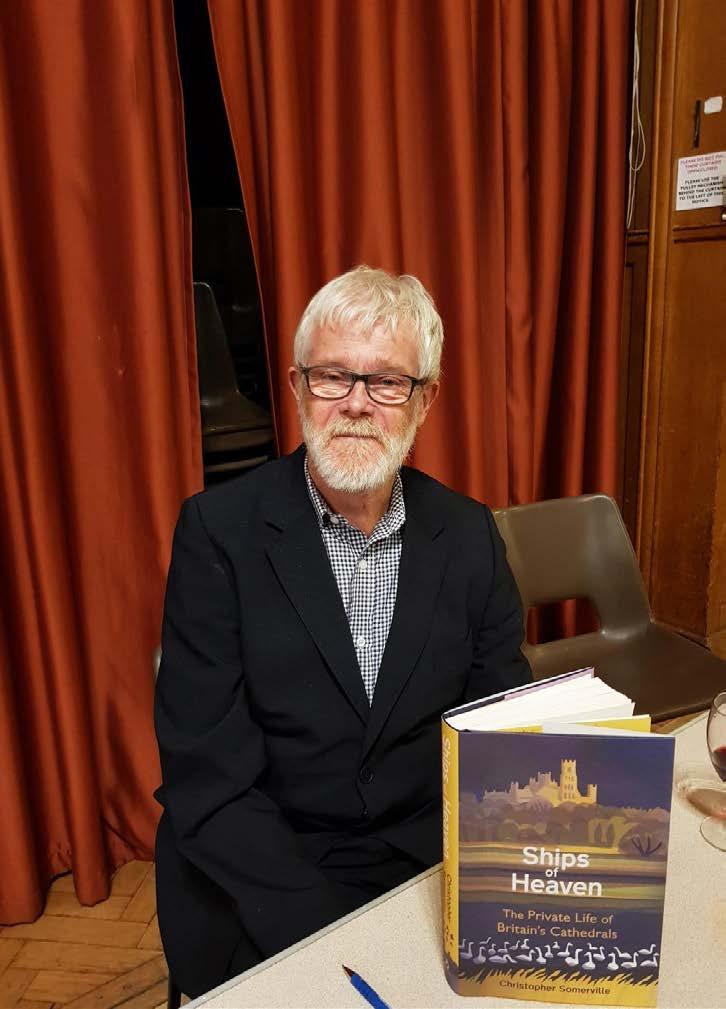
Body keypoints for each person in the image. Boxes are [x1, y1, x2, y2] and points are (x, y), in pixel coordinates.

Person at [154, 266, 531, 997]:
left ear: (425, 399)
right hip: (263, 870)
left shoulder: (469, 535)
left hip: (424, 860)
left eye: (386, 381)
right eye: (332, 376)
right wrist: (339, 936)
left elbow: (499, 730)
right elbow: (209, 779)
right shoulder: (217, 533)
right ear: (297, 387)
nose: (356, 403)